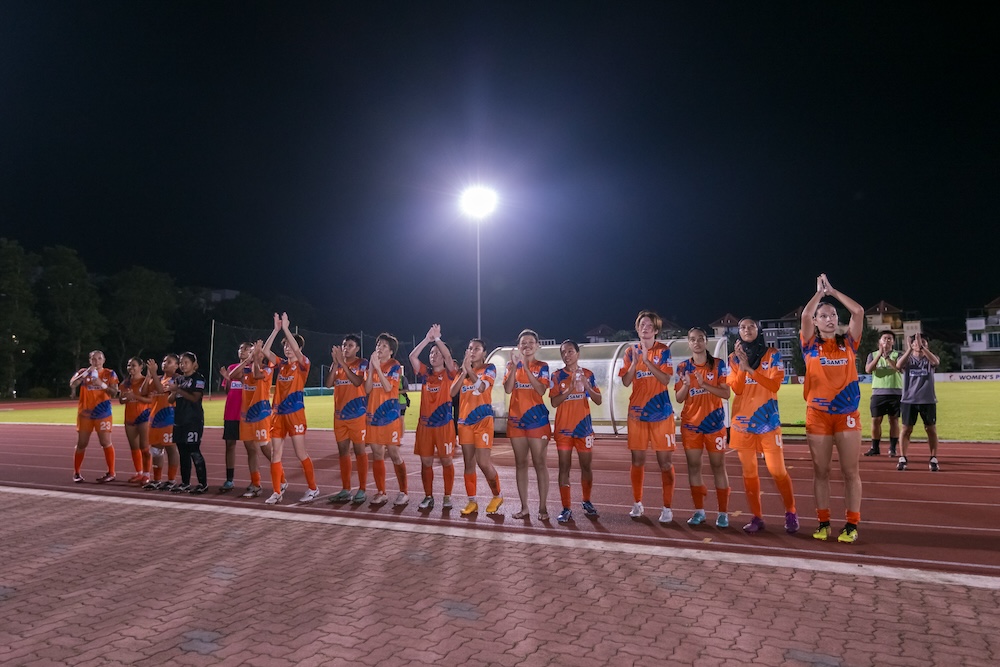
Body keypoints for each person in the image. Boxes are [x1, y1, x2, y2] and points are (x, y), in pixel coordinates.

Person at [801, 274, 865, 544]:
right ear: (816, 322)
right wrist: (819, 293)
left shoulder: (849, 342)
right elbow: (805, 314)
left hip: (846, 414)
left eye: (833, 315)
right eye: (823, 315)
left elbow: (858, 311)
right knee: (821, 471)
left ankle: (851, 524)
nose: (829, 319)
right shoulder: (809, 344)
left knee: (850, 471)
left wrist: (833, 292)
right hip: (817, 415)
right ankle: (824, 522)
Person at [727, 317, 798, 534]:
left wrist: (750, 369)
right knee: (749, 473)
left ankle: (791, 512)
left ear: (758, 330)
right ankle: (757, 517)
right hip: (742, 424)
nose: (747, 330)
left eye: (751, 326)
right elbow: (737, 389)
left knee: (777, 471)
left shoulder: (772, 354)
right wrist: (742, 367)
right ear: (738, 332)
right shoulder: (732, 358)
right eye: (742, 327)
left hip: (768, 422)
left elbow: (774, 385)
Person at [619, 310, 677, 523]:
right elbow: (626, 382)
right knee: (637, 461)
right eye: (642, 324)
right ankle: (637, 503)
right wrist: (636, 363)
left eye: (650, 325)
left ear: (656, 330)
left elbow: (665, 379)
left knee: (665, 463)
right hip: (637, 414)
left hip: (661, 414)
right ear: (637, 328)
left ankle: (667, 507)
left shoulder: (663, 351)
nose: (646, 328)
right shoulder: (629, 352)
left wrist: (647, 361)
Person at [260, 313, 320, 504]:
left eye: (290, 345)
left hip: (295, 415)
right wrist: (276, 330)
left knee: (300, 453)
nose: (287, 348)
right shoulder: (281, 364)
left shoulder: (303, 364)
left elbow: (297, 352)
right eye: (284, 345)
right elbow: (265, 351)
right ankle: (276, 491)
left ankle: (313, 488)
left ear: (298, 347)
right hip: (277, 415)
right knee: (275, 454)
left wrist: (286, 328)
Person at [674, 327, 731, 528]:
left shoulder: (718, 365)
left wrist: (704, 384)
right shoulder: (682, 367)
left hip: (714, 424)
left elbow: (726, 394)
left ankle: (723, 513)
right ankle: (699, 511)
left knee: (718, 467)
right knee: (694, 467)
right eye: (692, 339)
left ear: (706, 341)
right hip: (691, 426)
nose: (696, 342)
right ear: (688, 343)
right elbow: (678, 398)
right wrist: (687, 385)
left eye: (700, 339)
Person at [549, 340, 602, 524]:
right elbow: (554, 402)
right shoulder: (557, 376)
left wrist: (586, 386)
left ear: (578, 353)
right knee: (564, 467)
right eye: (563, 352)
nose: (566, 355)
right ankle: (566, 508)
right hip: (564, 430)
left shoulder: (588, 374)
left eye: (570, 351)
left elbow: (598, 400)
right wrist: (570, 388)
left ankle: (587, 501)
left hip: (584, 429)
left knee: (586, 466)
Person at [450, 338, 504, 516]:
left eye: (477, 349)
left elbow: (481, 388)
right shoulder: (463, 372)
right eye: (470, 348)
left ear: (484, 353)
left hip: (483, 421)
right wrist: (464, 371)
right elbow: (452, 392)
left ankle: (497, 495)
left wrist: (469, 370)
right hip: (464, 422)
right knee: (469, 463)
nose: (472, 351)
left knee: (483, 462)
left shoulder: (489, 368)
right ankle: (472, 501)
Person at [408, 324, 459, 510]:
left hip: (444, 425)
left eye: (437, 352)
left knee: (446, 461)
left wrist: (438, 339)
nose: (433, 355)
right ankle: (428, 496)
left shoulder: (450, 374)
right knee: (426, 462)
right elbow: (412, 357)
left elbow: (448, 358)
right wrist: (427, 340)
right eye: (431, 353)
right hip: (424, 426)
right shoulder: (425, 373)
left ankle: (447, 496)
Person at [504, 329, 552, 521]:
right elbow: (508, 389)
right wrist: (516, 367)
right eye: (523, 342)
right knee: (521, 463)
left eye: (531, 342)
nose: (527, 345)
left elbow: (541, 390)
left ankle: (542, 507)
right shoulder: (511, 365)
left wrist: (525, 366)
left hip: (537, 420)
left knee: (540, 463)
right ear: (518, 346)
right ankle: (524, 507)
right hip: (516, 421)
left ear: (537, 345)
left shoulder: (542, 366)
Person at [364, 333, 408, 506]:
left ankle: (404, 492)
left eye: (383, 346)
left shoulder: (394, 366)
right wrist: (371, 369)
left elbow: (389, 387)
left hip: (389, 416)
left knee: (394, 453)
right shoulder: (373, 366)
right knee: (377, 454)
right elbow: (368, 389)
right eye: (378, 345)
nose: (379, 348)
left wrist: (378, 368)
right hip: (373, 416)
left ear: (390, 351)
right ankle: (381, 492)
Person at [326, 334, 370, 504]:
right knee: (343, 452)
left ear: (357, 348)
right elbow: (328, 384)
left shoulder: (362, 363)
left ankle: (362, 489)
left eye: (350, 345)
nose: (346, 348)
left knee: (359, 452)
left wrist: (342, 364)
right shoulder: (336, 364)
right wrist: (335, 363)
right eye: (344, 345)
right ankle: (345, 489)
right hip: (339, 416)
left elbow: (358, 382)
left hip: (357, 415)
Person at [69, 350, 120, 483]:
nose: (96, 361)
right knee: (82, 443)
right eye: (93, 359)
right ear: (89, 360)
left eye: (99, 359)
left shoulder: (110, 373)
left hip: (103, 413)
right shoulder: (83, 372)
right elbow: (73, 384)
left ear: (104, 360)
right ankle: (76, 473)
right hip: (85, 413)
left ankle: (111, 472)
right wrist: (86, 373)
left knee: (105, 442)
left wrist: (101, 384)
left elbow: (115, 392)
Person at [895, 332, 941, 472]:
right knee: (906, 429)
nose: (919, 345)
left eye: (923, 343)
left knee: (930, 429)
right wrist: (910, 349)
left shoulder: (930, 358)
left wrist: (923, 348)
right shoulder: (907, 359)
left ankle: (933, 458)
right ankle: (903, 457)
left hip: (928, 400)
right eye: (916, 342)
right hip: (909, 400)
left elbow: (936, 362)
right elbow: (898, 365)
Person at [169, 352, 209, 494]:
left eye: (186, 362)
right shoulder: (179, 379)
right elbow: (170, 400)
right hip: (179, 420)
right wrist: (174, 391)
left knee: (194, 451)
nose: (183, 365)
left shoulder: (199, 378)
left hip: (193, 420)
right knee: (183, 453)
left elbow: (195, 398)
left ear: (194, 364)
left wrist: (178, 389)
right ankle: (185, 482)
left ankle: (202, 483)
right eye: (181, 362)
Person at [142, 355, 181, 490]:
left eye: (169, 362)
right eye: (164, 361)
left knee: (170, 448)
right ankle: (156, 479)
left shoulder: (177, 379)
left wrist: (153, 373)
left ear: (176, 366)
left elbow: (160, 390)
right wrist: (149, 375)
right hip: (155, 419)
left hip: (169, 418)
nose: (165, 363)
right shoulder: (157, 378)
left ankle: (171, 479)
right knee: (156, 449)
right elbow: (143, 391)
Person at [218, 342, 252, 492]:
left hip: (246, 414)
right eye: (240, 349)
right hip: (231, 412)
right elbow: (227, 390)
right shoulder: (232, 367)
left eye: (246, 349)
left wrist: (239, 372)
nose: (242, 351)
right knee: (230, 445)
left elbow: (248, 386)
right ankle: (229, 480)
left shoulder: (252, 368)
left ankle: (254, 481)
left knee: (250, 448)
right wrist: (227, 378)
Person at [864, 332, 903, 457]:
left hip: (895, 392)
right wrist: (879, 355)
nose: (887, 340)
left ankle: (892, 448)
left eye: (890, 339)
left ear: (893, 342)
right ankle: (875, 448)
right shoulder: (872, 355)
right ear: (879, 341)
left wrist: (886, 357)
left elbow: (898, 368)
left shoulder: (898, 355)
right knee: (876, 420)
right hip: (878, 393)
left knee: (894, 420)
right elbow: (868, 369)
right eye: (884, 338)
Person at [119, 356, 152, 485]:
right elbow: (121, 400)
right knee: (134, 447)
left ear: (140, 367)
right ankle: (139, 472)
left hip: (143, 416)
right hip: (129, 417)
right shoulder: (125, 383)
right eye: (129, 365)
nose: (130, 368)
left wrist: (135, 396)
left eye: (133, 365)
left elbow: (150, 400)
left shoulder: (146, 381)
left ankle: (147, 474)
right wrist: (126, 398)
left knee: (144, 447)